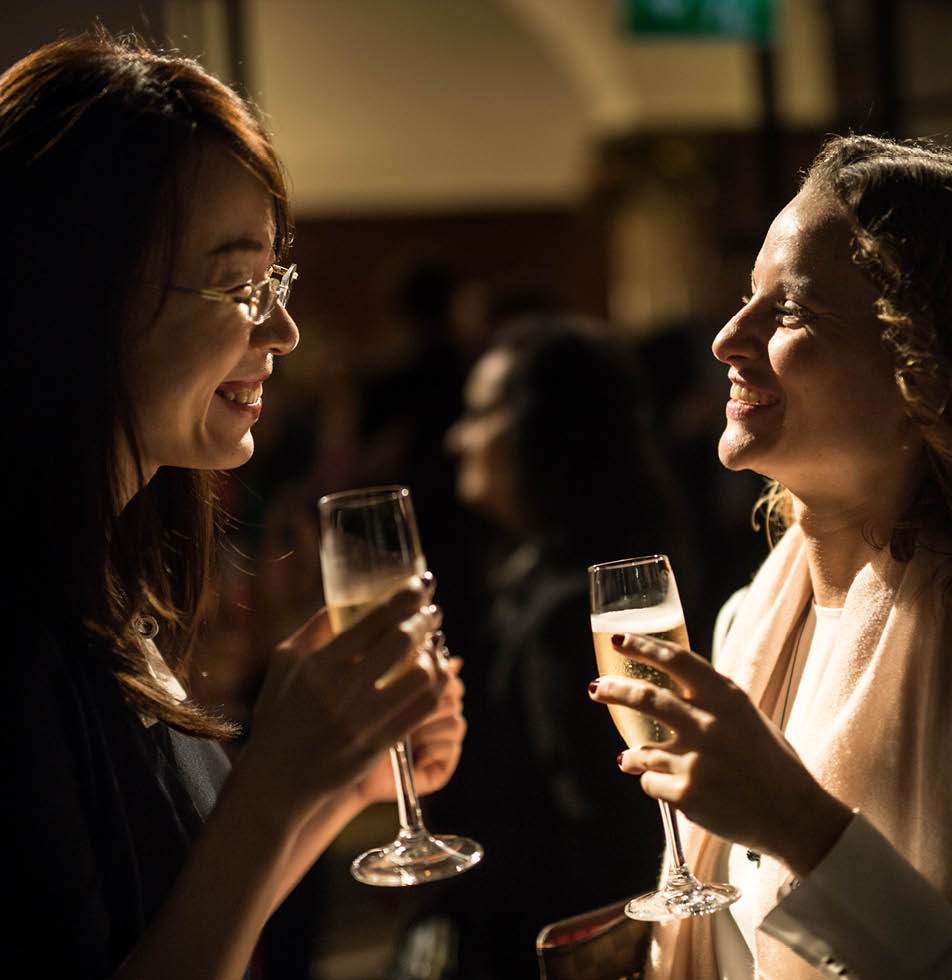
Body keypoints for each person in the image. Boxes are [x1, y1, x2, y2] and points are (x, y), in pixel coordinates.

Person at [1, 31, 466, 979]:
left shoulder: (96, 582)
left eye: (275, 280)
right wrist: (275, 783)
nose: (283, 330)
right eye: (238, 283)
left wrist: (330, 787)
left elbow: (180, 913)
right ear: (81, 290)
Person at [589, 134, 952, 979]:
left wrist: (798, 824)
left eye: (788, 313)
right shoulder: (748, 616)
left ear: (919, 371)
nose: (725, 339)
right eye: (746, 298)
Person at [440, 315, 693, 977]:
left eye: (479, 413)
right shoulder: (538, 573)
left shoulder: (573, 618)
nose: (457, 437)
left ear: (544, 429)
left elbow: (606, 842)